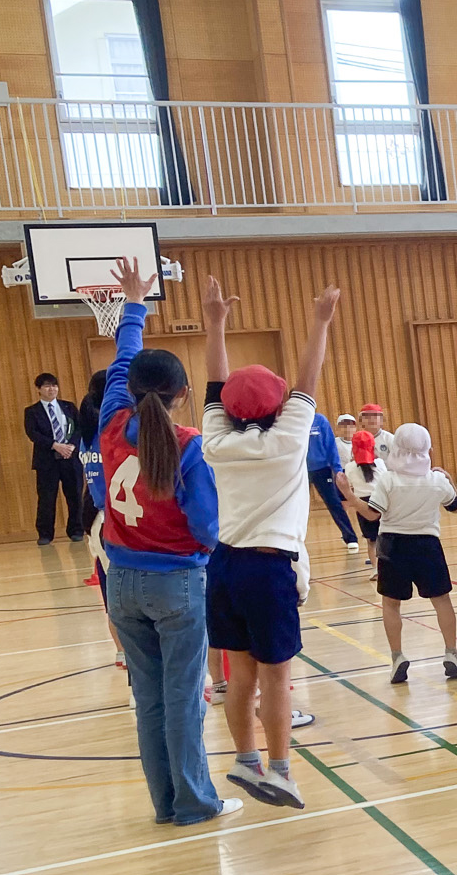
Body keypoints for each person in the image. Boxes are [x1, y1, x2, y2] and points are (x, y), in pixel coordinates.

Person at [98, 258, 236, 827]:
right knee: (183, 698)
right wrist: (206, 558)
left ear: (127, 391)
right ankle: (195, 803)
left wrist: (134, 305)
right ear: (184, 393)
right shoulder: (189, 445)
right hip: (176, 581)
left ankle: (166, 803)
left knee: (150, 700)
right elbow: (206, 527)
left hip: (121, 583)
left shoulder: (110, 422)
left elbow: (124, 359)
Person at [201, 272, 342, 812]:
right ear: (279, 405)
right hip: (268, 569)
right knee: (277, 678)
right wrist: (320, 320)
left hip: (224, 567)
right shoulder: (288, 439)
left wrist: (216, 326)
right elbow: (310, 374)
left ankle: (244, 759)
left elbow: (217, 385)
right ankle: (280, 770)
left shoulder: (216, 439)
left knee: (239, 674)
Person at [368, 422, 457, 684]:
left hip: (392, 546)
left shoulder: (388, 479)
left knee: (391, 604)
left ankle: (398, 656)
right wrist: (449, 480)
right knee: (442, 600)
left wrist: (350, 498)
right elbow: (455, 506)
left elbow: (372, 513)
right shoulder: (436, 480)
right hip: (427, 545)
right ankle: (451, 653)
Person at [76, 369, 126, 667]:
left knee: (111, 591)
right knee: (124, 597)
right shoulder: (112, 435)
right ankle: (133, 662)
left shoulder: (86, 433)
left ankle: (122, 651)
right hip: (113, 521)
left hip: (96, 519)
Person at [24, 371, 85, 544]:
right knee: (46, 498)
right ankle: (45, 534)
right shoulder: (32, 411)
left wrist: (71, 446)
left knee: (74, 495)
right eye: (47, 386)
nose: (52, 389)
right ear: (39, 389)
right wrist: (55, 445)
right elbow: (32, 433)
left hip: (70, 458)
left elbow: (79, 428)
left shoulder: (68, 406)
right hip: (47, 461)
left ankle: (76, 530)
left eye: (54, 385)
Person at [306, 407, 359, 551]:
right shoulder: (292, 422)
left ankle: (350, 538)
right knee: (297, 505)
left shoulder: (320, 420)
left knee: (334, 503)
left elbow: (330, 446)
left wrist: (336, 469)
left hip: (322, 469)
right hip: (300, 470)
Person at [337, 431, 385, 571]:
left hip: (361, 504)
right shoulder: (380, 463)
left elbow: (349, 484)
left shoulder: (350, 468)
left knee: (371, 541)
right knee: (385, 537)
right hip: (380, 501)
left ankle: (375, 569)